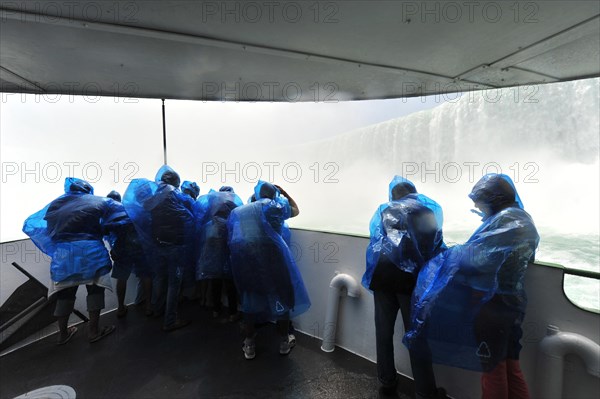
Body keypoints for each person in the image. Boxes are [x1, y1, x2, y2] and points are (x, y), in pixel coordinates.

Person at [404, 174, 539, 399]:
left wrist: (448, 256)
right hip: (512, 304)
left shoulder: (506, 221)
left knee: (492, 371)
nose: (478, 207)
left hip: (491, 306)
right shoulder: (523, 219)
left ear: (494, 198)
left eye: (481, 202)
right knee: (510, 367)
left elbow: (478, 260)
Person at [362, 176, 447, 398]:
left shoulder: (384, 212)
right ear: (415, 194)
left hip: (382, 279)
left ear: (393, 195)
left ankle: (387, 381)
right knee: (416, 336)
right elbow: (435, 246)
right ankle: (426, 391)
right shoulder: (426, 212)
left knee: (383, 331)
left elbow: (376, 243)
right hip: (411, 283)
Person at [23, 177, 119, 344]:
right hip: (92, 254)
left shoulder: (55, 205)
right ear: (88, 189)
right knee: (95, 291)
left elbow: (44, 229)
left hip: (64, 257)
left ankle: (63, 334)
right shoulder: (99, 202)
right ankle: (93, 331)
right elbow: (117, 219)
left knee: (65, 296)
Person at [228, 181, 309, 360]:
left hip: (248, 262)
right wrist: (284, 193)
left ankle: (249, 344)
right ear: (273, 194)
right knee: (282, 298)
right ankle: (283, 342)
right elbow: (295, 210)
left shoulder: (241, 211)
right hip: (274, 261)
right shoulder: (275, 207)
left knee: (250, 302)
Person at [123, 165, 195, 331]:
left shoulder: (153, 197)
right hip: (176, 245)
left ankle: (156, 309)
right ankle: (170, 320)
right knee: (174, 283)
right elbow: (193, 211)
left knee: (160, 278)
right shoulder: (177, 194)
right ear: (177, 181)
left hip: (158, 244)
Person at [195, 186, 243, 321]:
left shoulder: (213, 206)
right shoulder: (233, 205)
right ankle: (233, 313)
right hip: (227, 241)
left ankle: (216, 310)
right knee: (229, 281)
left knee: (215, 279)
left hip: (212, 237)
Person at [105, 190, 152, 317]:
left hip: (121, 249)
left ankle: (120, 307)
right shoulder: (129, 209)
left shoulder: (108, 214)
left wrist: (113, 250)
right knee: (145, 275)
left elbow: (108, 235)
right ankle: (148, 306)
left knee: (122, 278)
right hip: (138, 247)